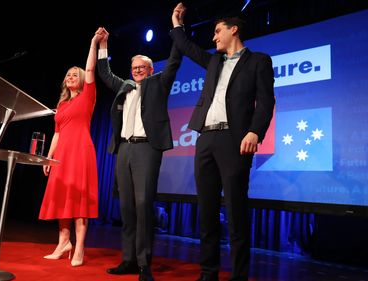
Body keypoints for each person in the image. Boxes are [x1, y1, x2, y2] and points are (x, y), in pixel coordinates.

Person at [170, 3, 276, 281]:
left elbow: (266, 102)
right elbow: (186, 46)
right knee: (206, 210)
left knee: (236, 212)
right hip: (206, 138)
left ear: (233, 30)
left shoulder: (258, 61)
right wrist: (177, 23)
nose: (214, 37)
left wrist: (255, 132)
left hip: (235, 139)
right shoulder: (213, 61)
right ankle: (208, 273)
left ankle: (239, 275)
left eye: (218, 31)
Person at [95, 27, 182, 281]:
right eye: (134, 68)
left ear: (151, 70)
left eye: (141, 67)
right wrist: (103, 45)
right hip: (124, 148)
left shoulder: (159, 83)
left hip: (146, 148)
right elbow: (104, 72)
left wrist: (177, 29)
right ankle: (128, 260)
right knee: (126, 206)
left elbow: (175, 61)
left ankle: (144, 264)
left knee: (143, 206)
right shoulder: (125, 86)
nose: (137, 71)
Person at [38, 31, 102, 267]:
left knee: (79, 200)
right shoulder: (62, 104)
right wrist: (48, 157)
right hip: (62, 154)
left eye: (75, 74)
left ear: (82, 79)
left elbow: (92, 69)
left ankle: (80, 248)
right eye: (68, 75)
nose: (70, 76)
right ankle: (64, 242)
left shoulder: (88, 96)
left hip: (81, 152)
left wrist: (93, 43)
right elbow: (57, 133)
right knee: (62, 198)